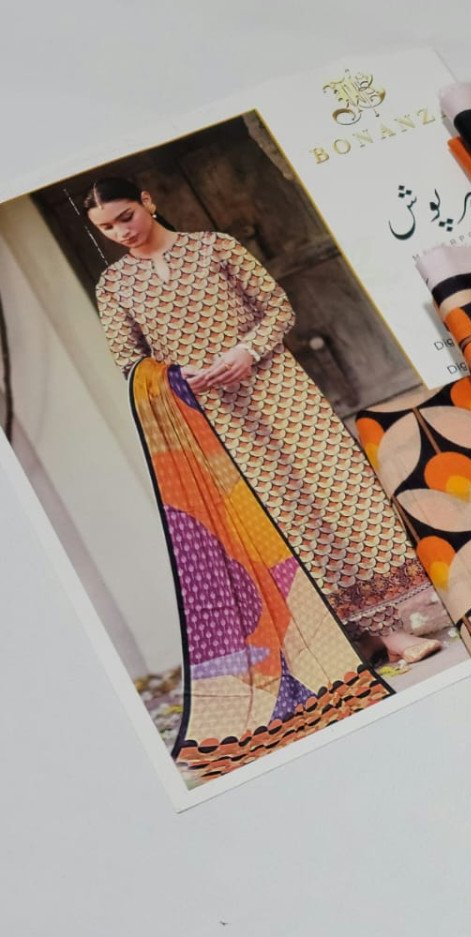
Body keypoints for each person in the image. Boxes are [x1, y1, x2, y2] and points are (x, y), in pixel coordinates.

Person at [85, 176, 442, 668]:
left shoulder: (215, 248)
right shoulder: (114, 286)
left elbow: (278, 309)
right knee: (286, 518)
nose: (121, 232)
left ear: (148, 201)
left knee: (341, 493)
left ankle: (404, 612)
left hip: (279, 390)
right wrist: (178, 377)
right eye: (107, 228)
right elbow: (130, 362)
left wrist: (246, 351)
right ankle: (370, 635)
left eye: (125, 216)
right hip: (213, 415)